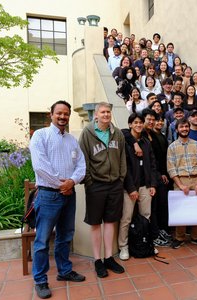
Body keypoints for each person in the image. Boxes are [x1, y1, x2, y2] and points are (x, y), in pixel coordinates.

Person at [30, 100, 86, 299]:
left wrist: (71, 182)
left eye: (66, 114)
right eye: (59, 113)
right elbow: (40, 166)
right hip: (48, 196)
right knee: (43, 240)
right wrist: (61, 184)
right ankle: (40, 280)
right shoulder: (40, 136)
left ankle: (64, 271)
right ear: (51, 115)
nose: (63, 117)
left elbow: (81, 165)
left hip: (69, 195)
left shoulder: (72, 140)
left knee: (65, 235)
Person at [79, 102, 127, 278]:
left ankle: (108, 258)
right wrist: (89, 181)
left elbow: (122, 158)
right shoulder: (87, 133)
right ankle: (97, 260)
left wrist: (121, 179)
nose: (106, 114)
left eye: (108, 112)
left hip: (115, 184)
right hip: (96, 185)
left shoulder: (118, 133)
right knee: (95, 223)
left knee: (110, 221)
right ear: (96, 115)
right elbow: (82, 159)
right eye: (103, 112)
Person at [118, 113, 157, 260]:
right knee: (126, 218)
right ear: (130, 125)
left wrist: (153, 184)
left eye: (141, 122)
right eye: (135, 122)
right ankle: (124, 247)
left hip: (145, 186)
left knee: (146, 217)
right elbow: (124, 168)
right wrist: (131, 189)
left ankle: (146, 244)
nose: (139, 125)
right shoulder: (125, 141)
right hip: (130, 188)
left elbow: (153, 165)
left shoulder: (146, 142)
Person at [167, 118, 197, 249]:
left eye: (186, 126)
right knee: (181, 211)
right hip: (181, 180)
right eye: (181, 127)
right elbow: (171, 168)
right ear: (177, 129)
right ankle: (180, 237)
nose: (184, 129)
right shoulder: (172, 147)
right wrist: (180, 185)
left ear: (189, 128)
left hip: (196, 180)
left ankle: (196, 236)